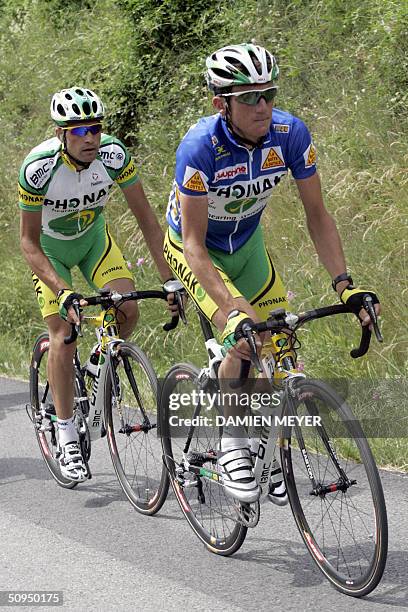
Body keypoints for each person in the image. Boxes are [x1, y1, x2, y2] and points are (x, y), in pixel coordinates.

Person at [163, 44, 380, 504]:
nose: (263, 106)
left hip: (248, 247)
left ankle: (270, 447)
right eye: (249, 98)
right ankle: (233, 443)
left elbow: (317, 214)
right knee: (244, 338)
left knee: (277, 341)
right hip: (198, 251)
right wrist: (229, 309)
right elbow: (195, 245)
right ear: (220, 103)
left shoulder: (290, 134)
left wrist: (346, 284)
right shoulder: (200, 147)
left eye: (269, 94)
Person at [19, 87, 175, 482]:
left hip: (93, 243)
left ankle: (94, 368)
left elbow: (149, 222)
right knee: (64, 331)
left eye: (95, 128)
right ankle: (66, 432)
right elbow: (28, 242)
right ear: (61, 135)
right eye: (79, 131)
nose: (90, 138)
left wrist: (170, 280)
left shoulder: (114, 155)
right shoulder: (37, 169)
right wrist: (63, 289)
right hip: (51, 254)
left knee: (128, 308)